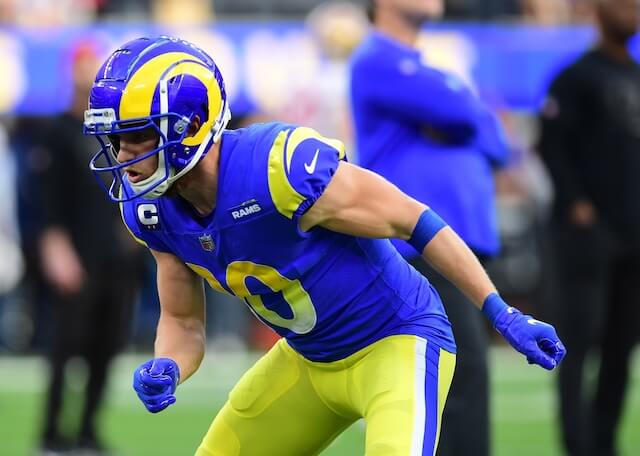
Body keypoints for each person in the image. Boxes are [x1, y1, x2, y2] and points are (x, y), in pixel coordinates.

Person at [83, 36, 565, 456]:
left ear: (191, 126)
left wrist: (501, 312)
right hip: (308, 359)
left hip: (396, 342)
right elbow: (183, 321)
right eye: (115, 140)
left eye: (136, 136)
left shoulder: (277, 170)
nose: (124, 157)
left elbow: (413, 220)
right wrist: (169, 365)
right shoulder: (150, 209)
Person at [350, 2, 509, 455]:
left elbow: (496, 138)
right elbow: (466, 114)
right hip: (419, 251)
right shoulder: (377, 58)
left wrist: (465, 116)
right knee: (455, 379)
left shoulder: (423, 68)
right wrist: (465, 114)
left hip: (453, 249)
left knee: (462, 377)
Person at [538, 1, 640, 455]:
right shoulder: (574, 77)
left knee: (622, 347)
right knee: (576, 345)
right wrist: (579, 208)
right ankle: (577, 444)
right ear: (598, 11)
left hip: (634, 236)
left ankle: (605, 441)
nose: (631, 11)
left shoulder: (635, 76)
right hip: (586, 238)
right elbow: (552, 147)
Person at [33, 40, 144, 455]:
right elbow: (46, 201)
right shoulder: (58, 131)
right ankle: (51, 433)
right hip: (77, 255)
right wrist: (55, 247)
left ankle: (88, 431)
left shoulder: (115, 131)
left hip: (117, 258)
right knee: (65, 347)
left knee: (106, 347)